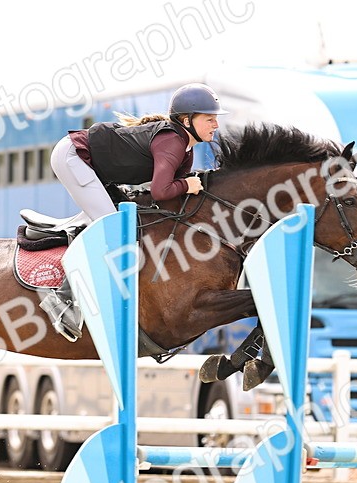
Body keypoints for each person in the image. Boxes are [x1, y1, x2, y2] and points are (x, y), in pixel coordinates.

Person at [40, 82, 228, 340]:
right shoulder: (173, 142)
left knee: (126, 224)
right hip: (73, 157)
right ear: (186, 120)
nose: (215, 125)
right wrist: (187, 184)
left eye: (215, 119)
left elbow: (163, 200)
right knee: (114, 229)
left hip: (94, 167)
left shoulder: (186, 150)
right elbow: (163, 191)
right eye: (209, 119)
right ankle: (62, 297)